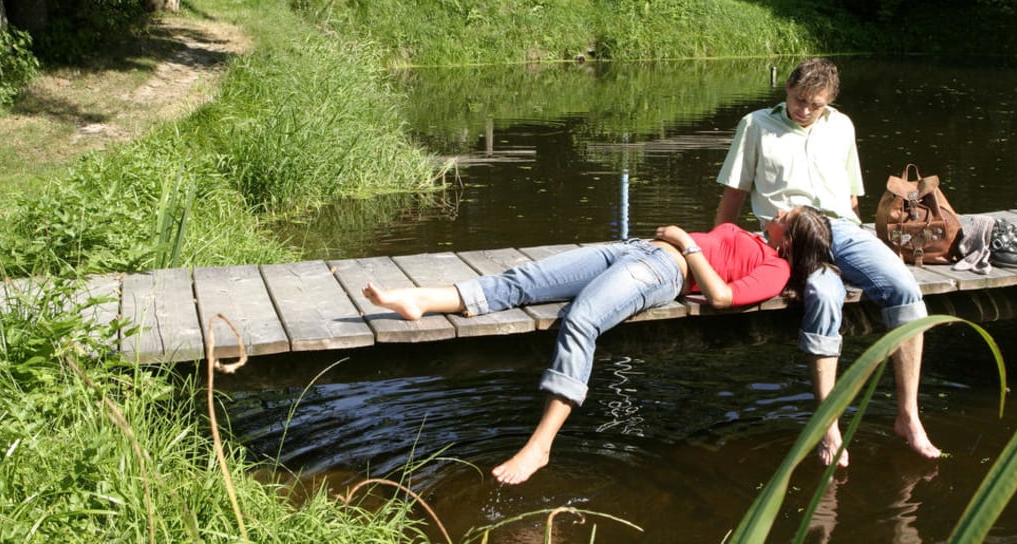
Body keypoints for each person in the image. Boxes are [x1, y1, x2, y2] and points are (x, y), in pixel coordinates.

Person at [362, 206, 835, 485]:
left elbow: (721, 296)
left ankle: (540, 445)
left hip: (664, 271)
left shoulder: (775, 270)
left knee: (581, 319)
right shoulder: (752, 236)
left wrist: (685, 245)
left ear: (790, 239)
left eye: (784, 217)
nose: (775, 213)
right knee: (523, 279)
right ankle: (421, 300)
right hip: (633, 249)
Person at [715, 56, 941, 468]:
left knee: (905, 289)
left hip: (843, 229)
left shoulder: (842, 126)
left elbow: (852, 199)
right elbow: (733, 194)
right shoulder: (756, 125)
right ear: (786, 89)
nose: (804, 110)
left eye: (815, 104)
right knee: (821, 294)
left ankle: (908, 416)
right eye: (799, 99)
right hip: (792, 239)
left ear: (829, 102)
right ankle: (829, 425)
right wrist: (717, 248)